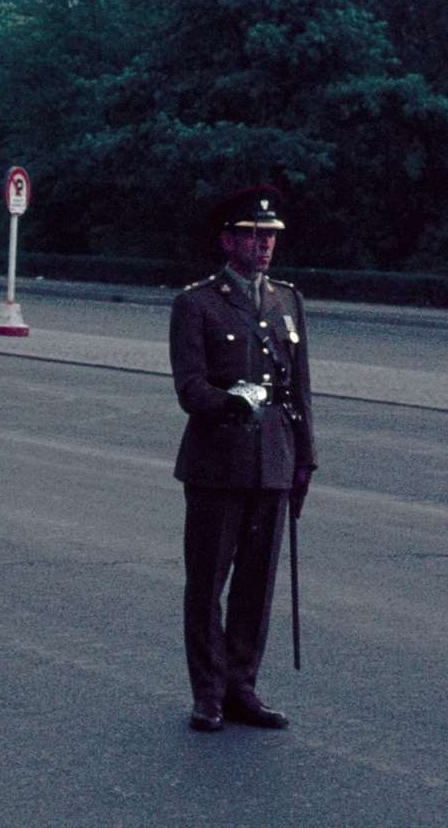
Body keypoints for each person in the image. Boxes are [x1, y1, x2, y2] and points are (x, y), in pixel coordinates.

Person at [169, 185, 316, 732]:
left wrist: (305, 460)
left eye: (271, 237)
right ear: (227, 240)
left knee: (257, 582)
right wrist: (229, 402)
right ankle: (207, 693)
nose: (264, 246)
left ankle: (241, 686)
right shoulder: (197, 303)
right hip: (217, 460)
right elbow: (189, 388)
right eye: (254, 236)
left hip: (273, 459)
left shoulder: (286, 300)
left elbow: (300, 390)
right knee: (208, 581)